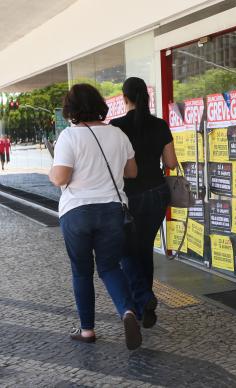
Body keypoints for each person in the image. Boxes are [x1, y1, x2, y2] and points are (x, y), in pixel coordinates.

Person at [49, 83, 142, 350]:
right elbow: (131, 172)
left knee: (81, 271)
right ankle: (127, 311)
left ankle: (87, 330)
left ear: (71, 108)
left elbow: (60, 177)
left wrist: (51, 173)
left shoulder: (69, 136)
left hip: (76, 212)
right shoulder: (118, 135)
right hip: (112, 211)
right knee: (110, 267)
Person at [110, 77, 177, 329]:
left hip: (129, 197)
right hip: (157, 194)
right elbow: (170, 163)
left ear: (124, 97)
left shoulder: (116, 127)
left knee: (126, 250)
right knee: (144, 248)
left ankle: (143, 300)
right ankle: (144, 305)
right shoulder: (160, 125)